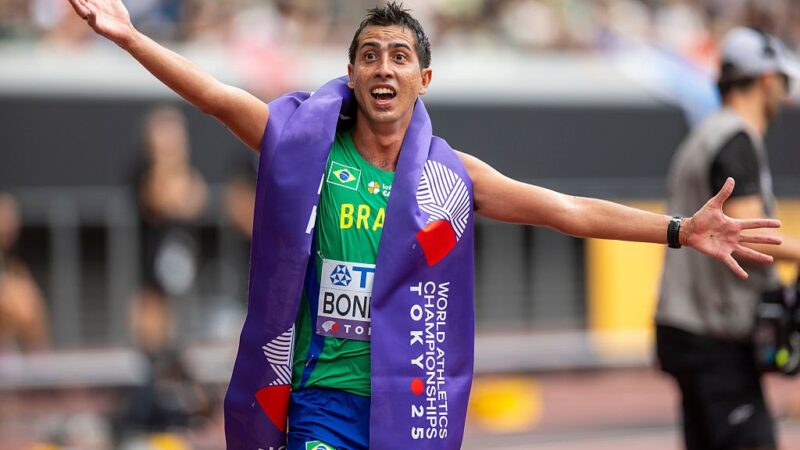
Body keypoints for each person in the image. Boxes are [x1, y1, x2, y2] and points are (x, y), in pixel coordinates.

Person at [67, 1, 782, 449]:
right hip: (321, 402)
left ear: (423, 80)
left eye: (400, 56)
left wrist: (680, 230)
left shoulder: (449, 180)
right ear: (352, 75)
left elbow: (564, 210)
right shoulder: (309, 149)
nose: (384, 67)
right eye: (370, 56)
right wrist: (130, 37)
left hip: (405, 407)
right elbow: (218, 99)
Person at [657, 27, 800, 450]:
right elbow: (748, 236)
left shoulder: (703, 136)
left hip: (685, 324)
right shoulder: (735, 138)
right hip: (715, 332)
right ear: (767, 80)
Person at [0, 193, 50, 353]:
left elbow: (32, 315)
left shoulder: (17, 269)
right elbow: (24, 311)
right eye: (5, 217)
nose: (12, 224)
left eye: (14, 218)